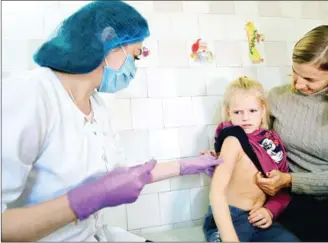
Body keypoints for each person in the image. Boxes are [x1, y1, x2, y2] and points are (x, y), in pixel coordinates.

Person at [1, 1, 223, 242]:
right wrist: (81, 201)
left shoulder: (97, 108)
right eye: (135, 57)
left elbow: (124, 177)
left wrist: (190, 165)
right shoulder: (29, 94)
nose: (133, 70)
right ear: (109, 42)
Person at [256, 24, 328, 242]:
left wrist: (289, 180)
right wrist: (222, 149)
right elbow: (253, 138)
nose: (297, 84)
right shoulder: (277, 97)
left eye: (310, 79)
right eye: (295, 71)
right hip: (291, 203)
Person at [201, 77, 299, 242]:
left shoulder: (271, 142)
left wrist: (269, 210)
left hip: (260, 218)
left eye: (252, 111)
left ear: (262, 110)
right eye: (237, 112)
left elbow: (282, 186)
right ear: (228, 113)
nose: (245, 118)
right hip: (231, 217)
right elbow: (216, 193)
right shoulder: (232, 140)